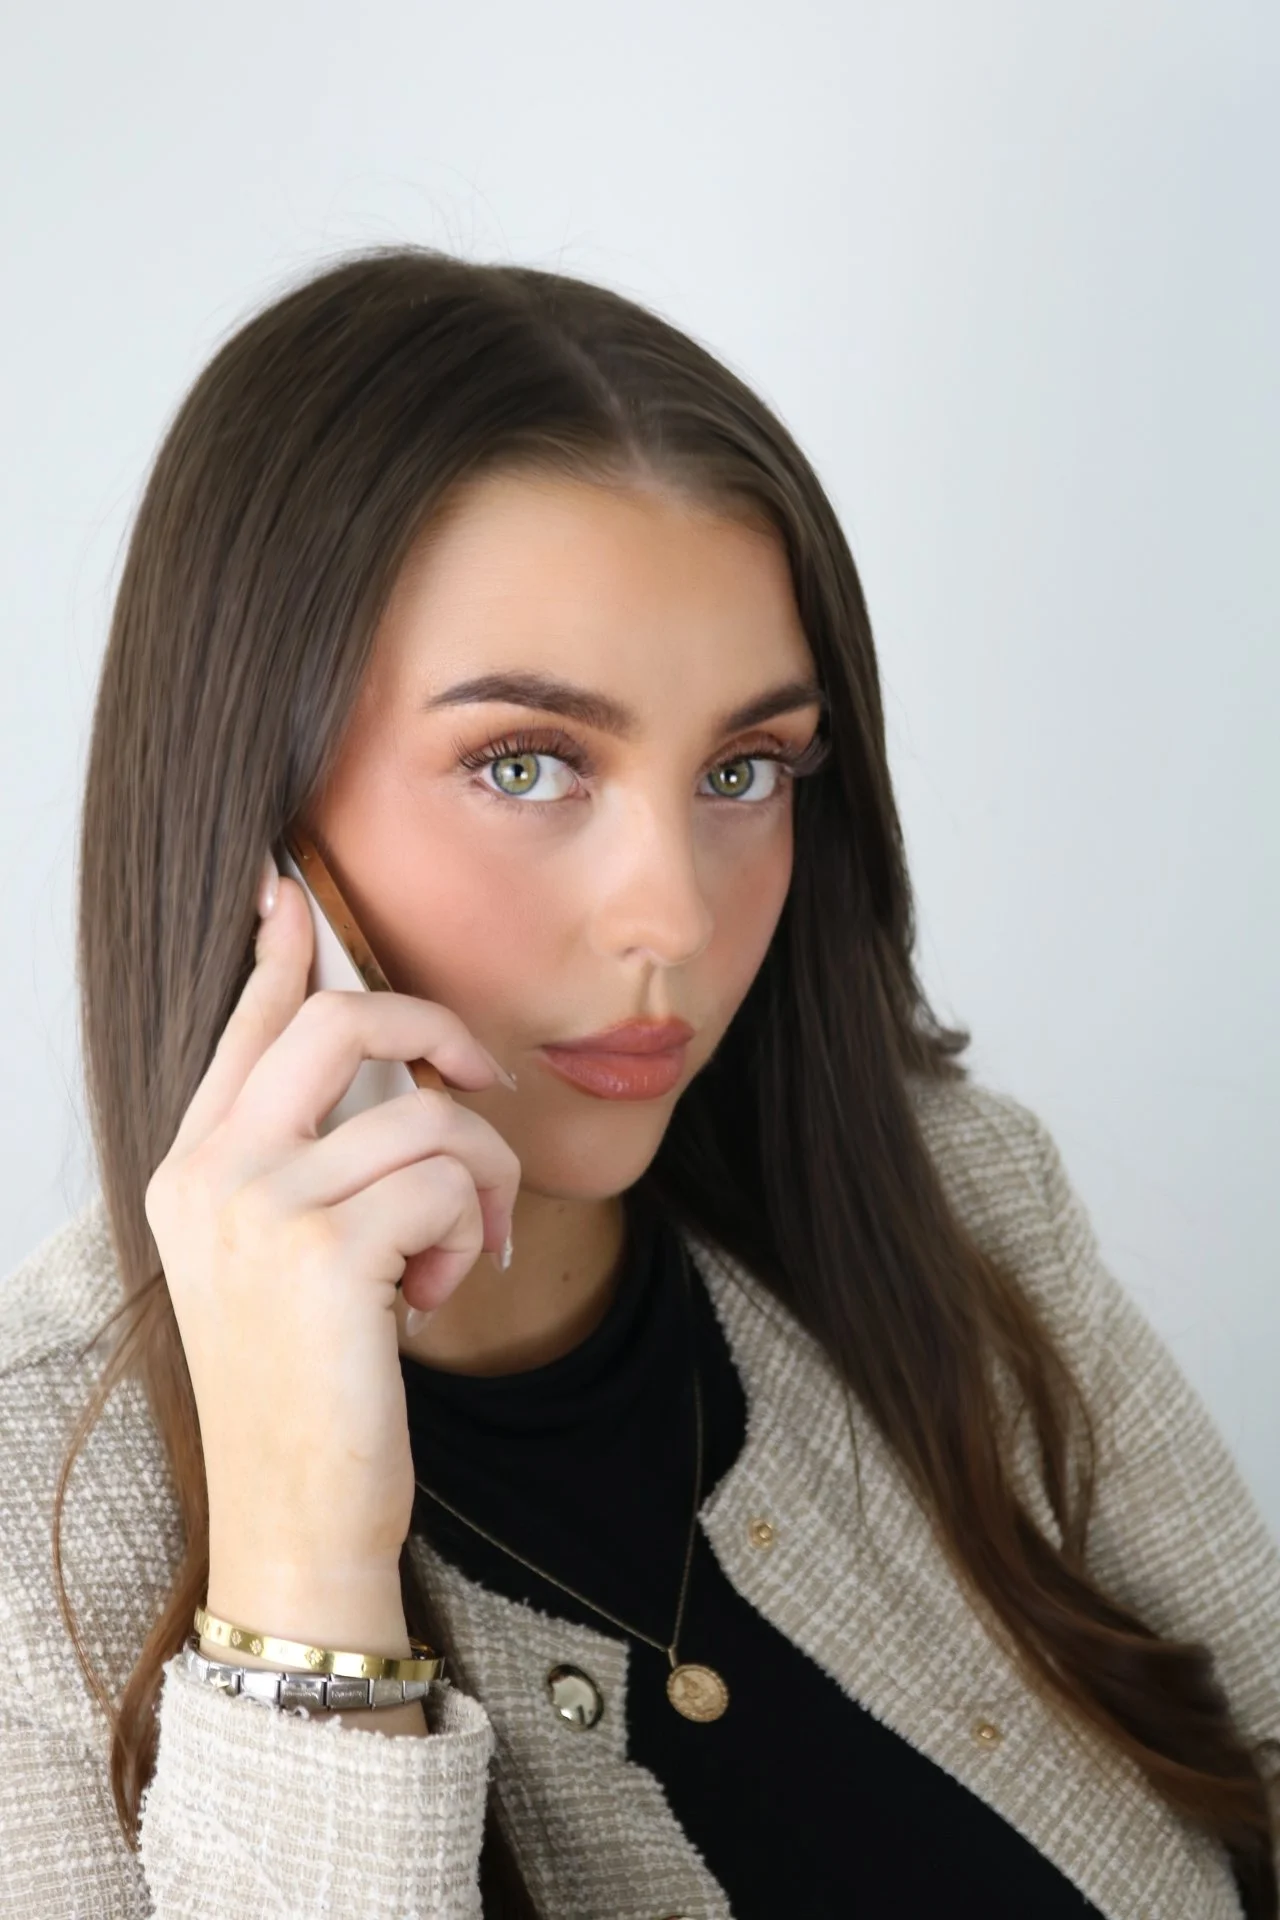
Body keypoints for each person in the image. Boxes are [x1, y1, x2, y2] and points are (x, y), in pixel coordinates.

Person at [1, 246, 1276, 1920]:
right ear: (257, 826)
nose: (671, 912)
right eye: (526, 764)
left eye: (745, 769)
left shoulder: (961, 1216)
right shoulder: (36, 1520)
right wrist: (306, 1566)